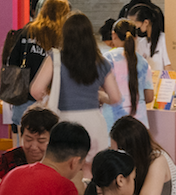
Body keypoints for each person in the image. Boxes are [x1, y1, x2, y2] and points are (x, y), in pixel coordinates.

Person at [31, 12, 119, 159]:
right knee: (92, 168)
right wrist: (99, 96)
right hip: (94, 122)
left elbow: (36, 90)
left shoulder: (55, 58)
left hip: (65, 122)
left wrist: (50, 97)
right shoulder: (101, 62)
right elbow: (115, 97)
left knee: (65, 166)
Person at [0, 106, 56, 182]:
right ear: (21, 136)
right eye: (28, 139)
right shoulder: (7, 161)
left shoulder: (60, 163)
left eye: (41, 141)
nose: (34, 147)